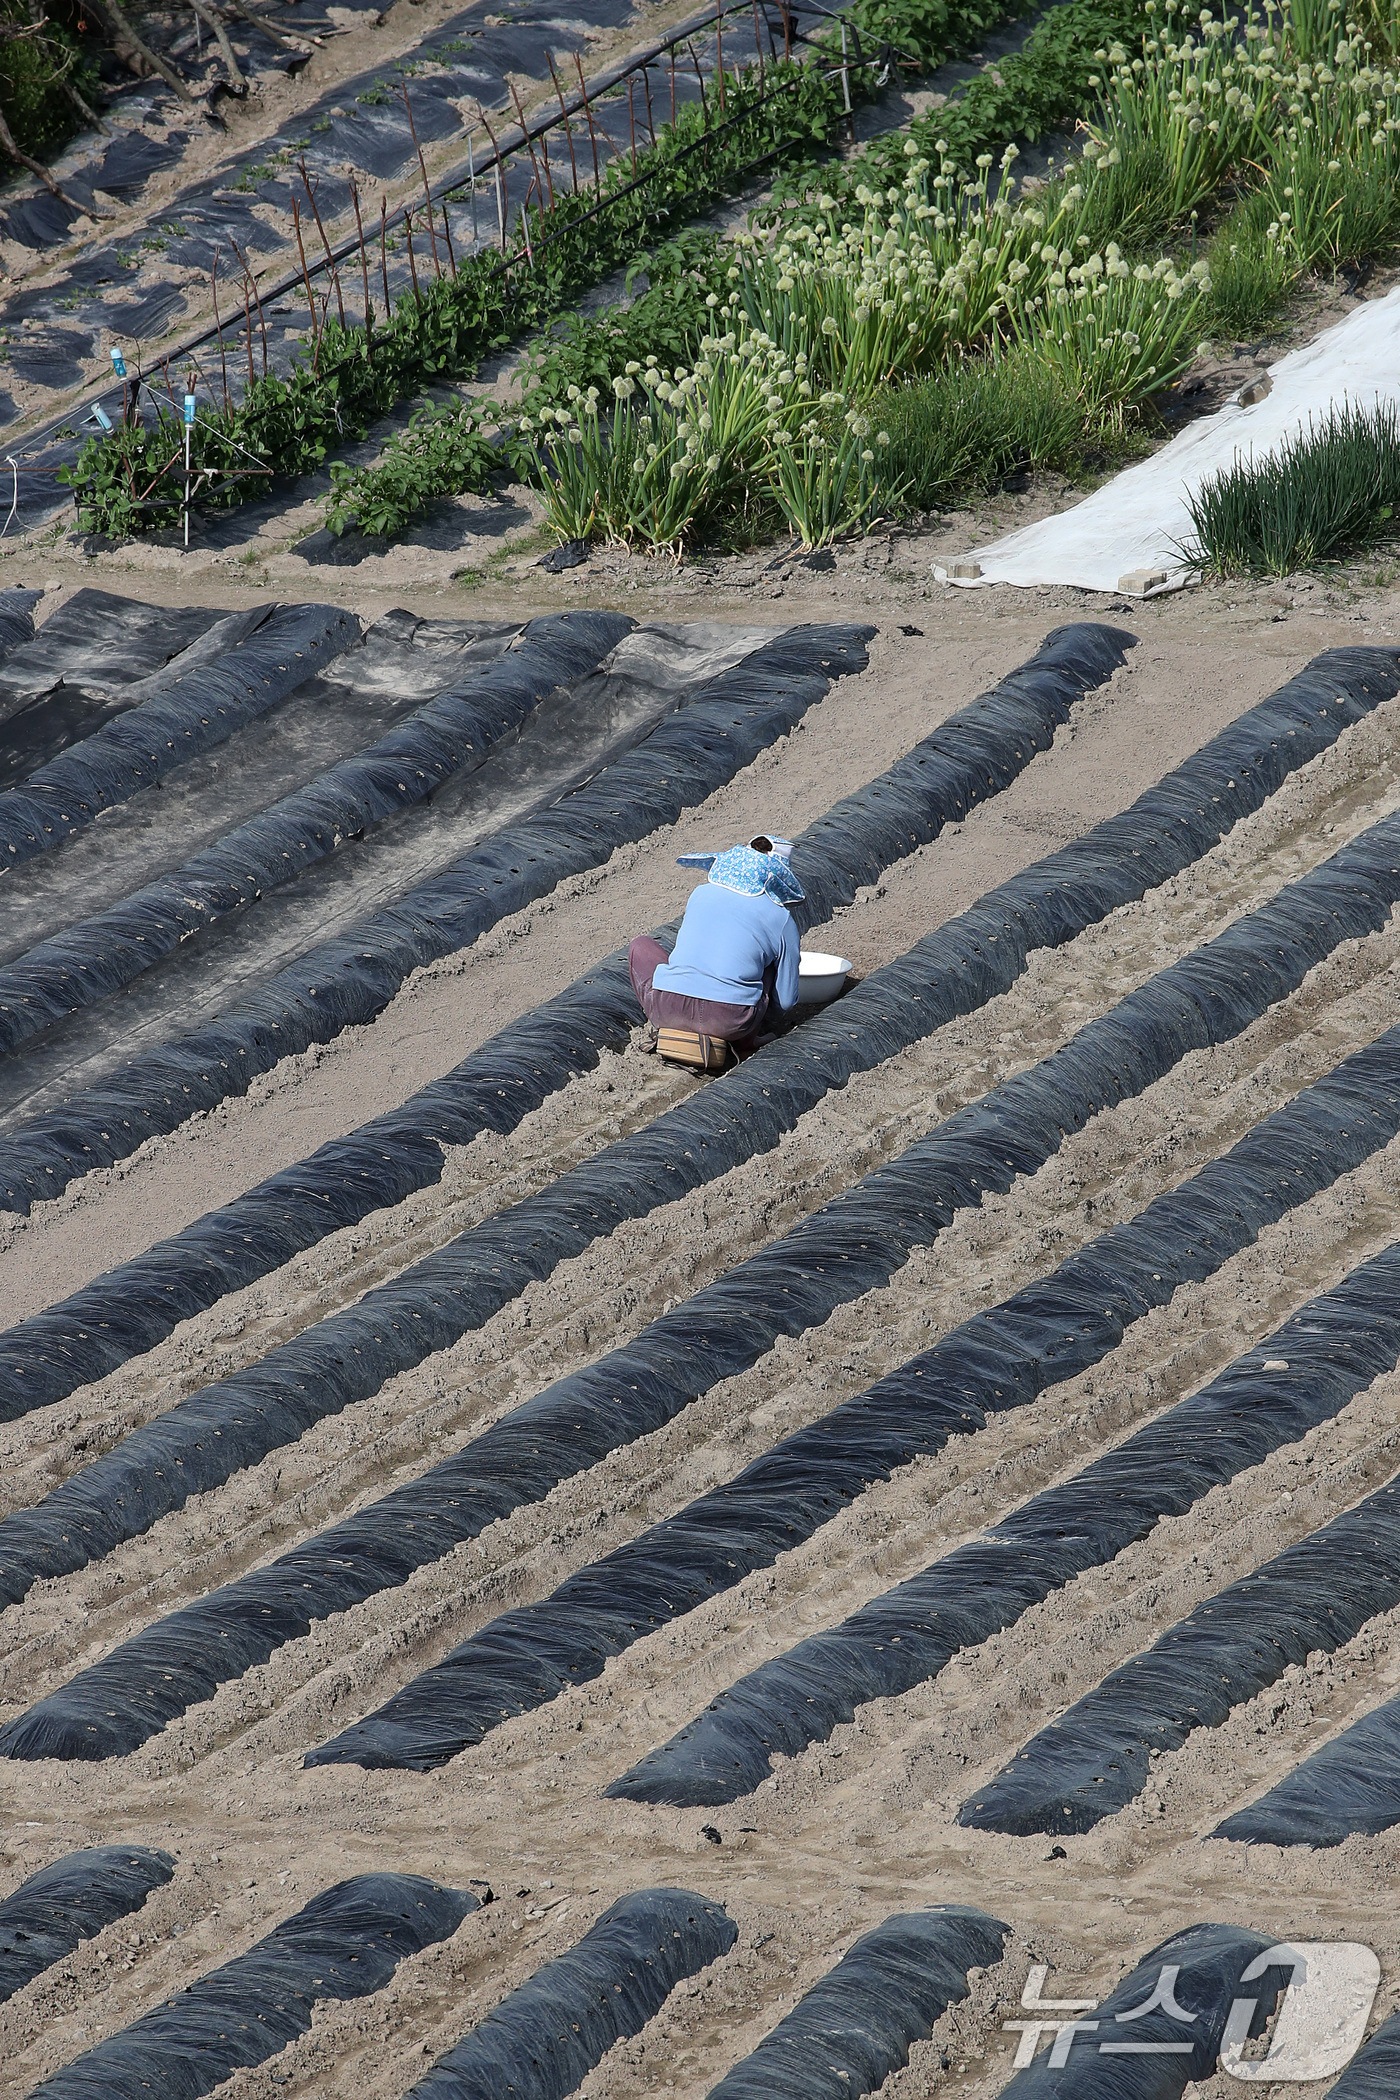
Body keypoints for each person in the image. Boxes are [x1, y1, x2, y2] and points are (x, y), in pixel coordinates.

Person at [629, 833, 802, 1054]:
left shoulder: (700, 893)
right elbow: (786, 1001)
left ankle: (671, 1027)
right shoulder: (781, 918)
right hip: (730, 1021)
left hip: (667, 1009)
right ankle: (746, 1040)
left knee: (641, 945)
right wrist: (766, 1019)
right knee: (768, 964)